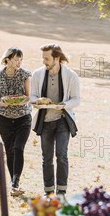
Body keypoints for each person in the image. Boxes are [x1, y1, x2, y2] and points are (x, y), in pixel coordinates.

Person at [30, 44, 80, 196]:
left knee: (62, 155)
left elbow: (76, 99)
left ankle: (62, 192)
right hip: (45, 121)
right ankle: (49, 191)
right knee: (47, 157)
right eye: (43, 58)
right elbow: (32, 96)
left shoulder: (71, 76)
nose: (44, 61)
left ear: (56, 58)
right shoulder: (37, 74)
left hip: (62, 119)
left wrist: (65, 105)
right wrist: (37, 101)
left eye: (47, 58)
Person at [0, 47, 32, 196]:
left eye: (21, 60)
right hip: (5, 119)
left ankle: (15, 182)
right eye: (16, 59)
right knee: (9, 151)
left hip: (23, 117)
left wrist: (20, 101)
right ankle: (13, 184)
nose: (19, 62)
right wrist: (2, 103)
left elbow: (29, 96)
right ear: (7, 60)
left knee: (18, 148)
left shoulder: (25, 75)